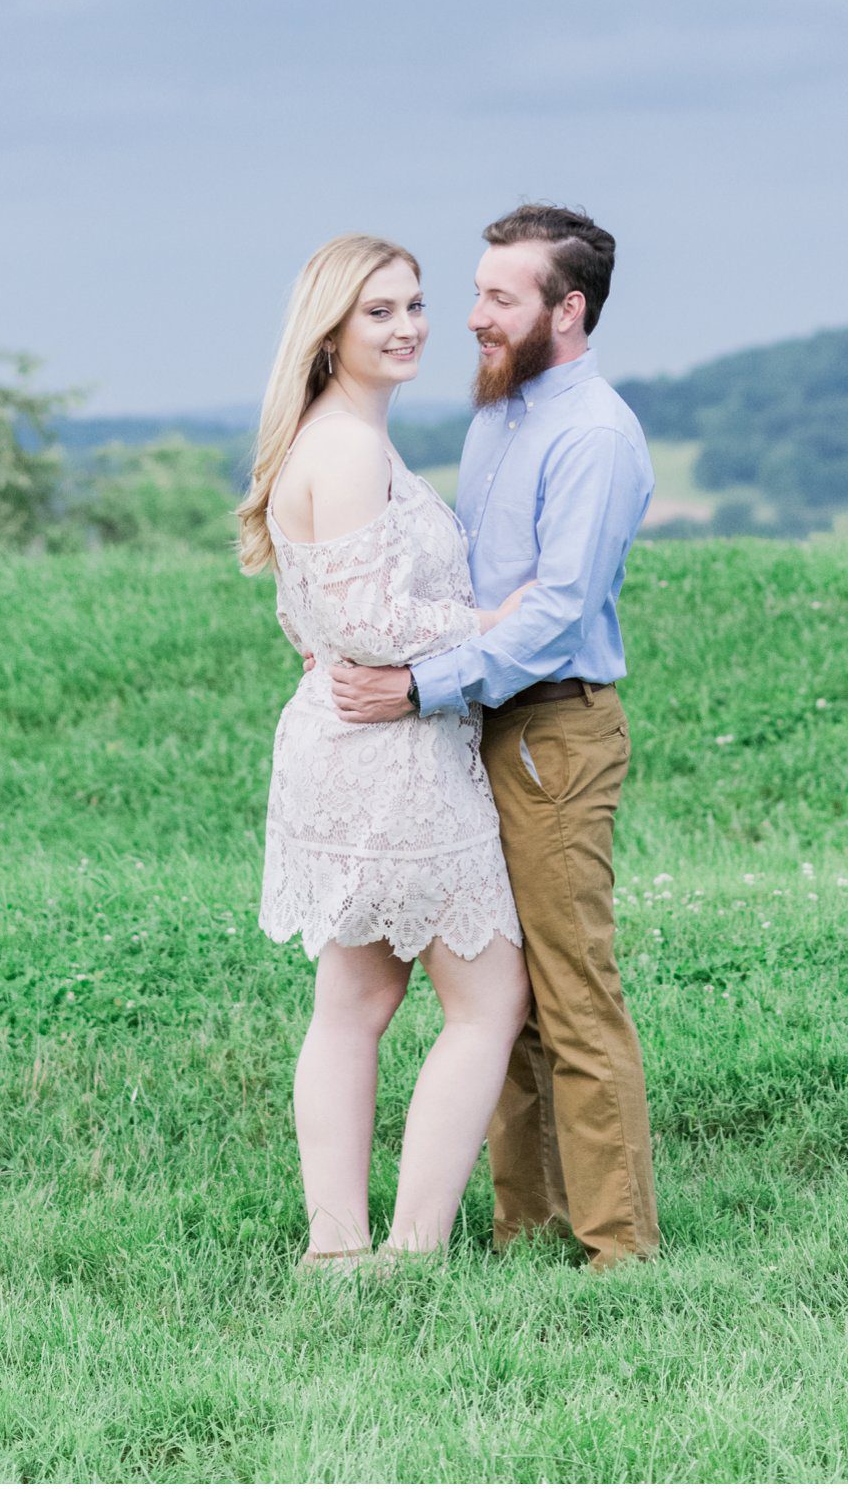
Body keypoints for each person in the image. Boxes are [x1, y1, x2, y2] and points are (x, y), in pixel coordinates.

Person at [331, 204, 659, 1270]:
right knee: (503, 998)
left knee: (572, 996)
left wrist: (418, 685)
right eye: (472, 293)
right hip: (476, 730)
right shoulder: (496, 415)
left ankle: (618, 1255)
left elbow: (553, 614)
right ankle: (527, 1231)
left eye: (497, 298)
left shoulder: (594, 435)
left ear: (565, 311)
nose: (469, 317)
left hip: (551, 734)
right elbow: (468, 585)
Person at [242, 233, 533, 1275]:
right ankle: (406, 1251)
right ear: (328, 331)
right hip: (389, 758)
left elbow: (315, 617)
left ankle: (336, 1249)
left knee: (354, 1002)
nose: (408, 326)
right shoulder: (351, 446)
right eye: (378, 312)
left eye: (413, 304)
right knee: (488, 1000)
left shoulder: (327, 437)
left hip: (340, 741)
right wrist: (489, 623)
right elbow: (366, 621)